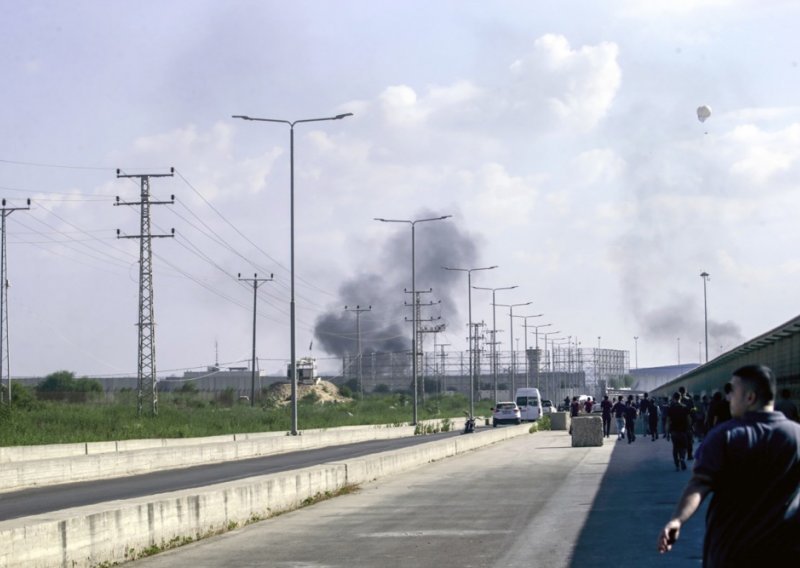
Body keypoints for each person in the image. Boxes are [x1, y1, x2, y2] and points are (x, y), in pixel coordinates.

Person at [657, 364, 800, 565]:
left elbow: (699, 484)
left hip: (732, 553)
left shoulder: (725, 436)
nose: (728, 397)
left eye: (732, 390)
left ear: (750, 397)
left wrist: (677, 520)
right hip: (785, 554)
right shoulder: (796, 435)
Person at [666, 392, 691, 471]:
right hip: (683, 431)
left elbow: (667, 421)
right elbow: (689, 419)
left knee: (675, 447)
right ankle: (682, 458)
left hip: (674, 431)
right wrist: (689, 428)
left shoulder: (671, 408)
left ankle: (677, 465)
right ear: (680, 398)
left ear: (673, 398)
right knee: (683, 446)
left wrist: (667, 433)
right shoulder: (685, 408)